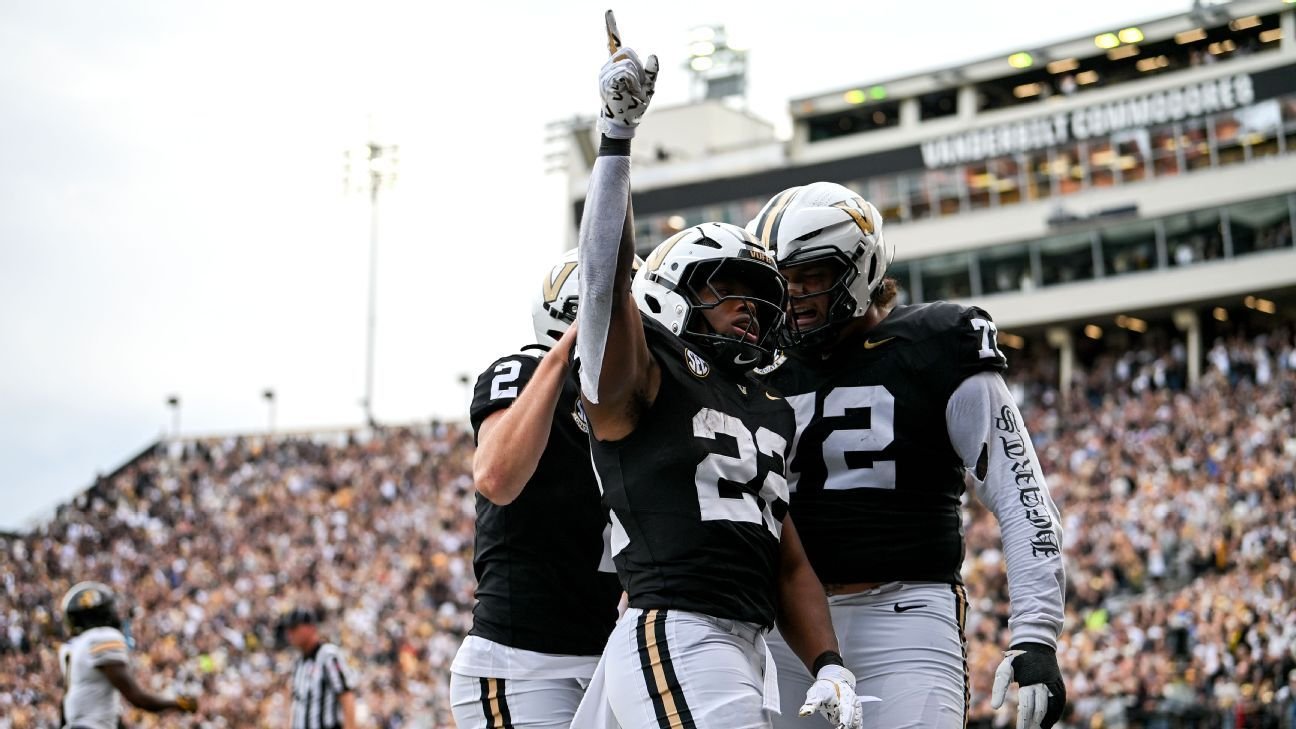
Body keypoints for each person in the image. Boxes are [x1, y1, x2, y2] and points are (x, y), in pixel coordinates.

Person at [571, 15, 865, 729]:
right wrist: (616, 139)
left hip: (745, 640)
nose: (750, 309)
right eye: (727, 288)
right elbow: (605, 281)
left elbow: (786, 559)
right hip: (676, 623)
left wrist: (829, 661)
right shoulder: (648, 369)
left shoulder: (767, 404)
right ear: (672, 290)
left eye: (761, 299)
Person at [748, 181, 1067, 729]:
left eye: (810, 276)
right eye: (781, 279)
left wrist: (1036, 634)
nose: (792, 295)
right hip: (788, 627)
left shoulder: (935, 344)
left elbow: (1021, 494)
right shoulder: (756, 365)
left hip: (906, 616)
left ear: (860, 267)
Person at [450, 248, 623, 728]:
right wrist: (567, 353)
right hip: (524, 660)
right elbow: (495, 477)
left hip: (610, 654)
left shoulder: (646, 409)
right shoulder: (526, 372)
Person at [57, 581, 199, 729]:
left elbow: (67, 704)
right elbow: (137, 698)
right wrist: (177, 703)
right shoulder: (101, 638)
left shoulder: (73, 647)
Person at [284, 607, 357, 729]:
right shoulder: (299, 662)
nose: (290, 633)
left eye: (294, 628)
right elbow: (297, 704)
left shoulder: (328, 656)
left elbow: (346, 696)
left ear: (311, 628)